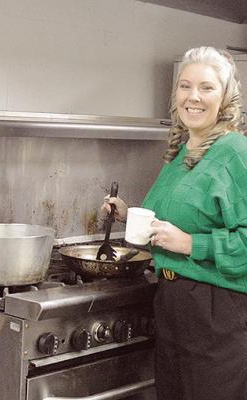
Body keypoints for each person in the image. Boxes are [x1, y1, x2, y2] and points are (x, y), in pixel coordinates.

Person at [104, 47, 247, 400]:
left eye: (206, 87)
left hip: (217, 309)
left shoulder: (236, 153)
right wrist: (127, 213)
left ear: (226, 96)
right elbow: (182, 216)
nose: (193, 97)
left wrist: (190, 244)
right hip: (171, 301)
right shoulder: (185, 149)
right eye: (185, 86)